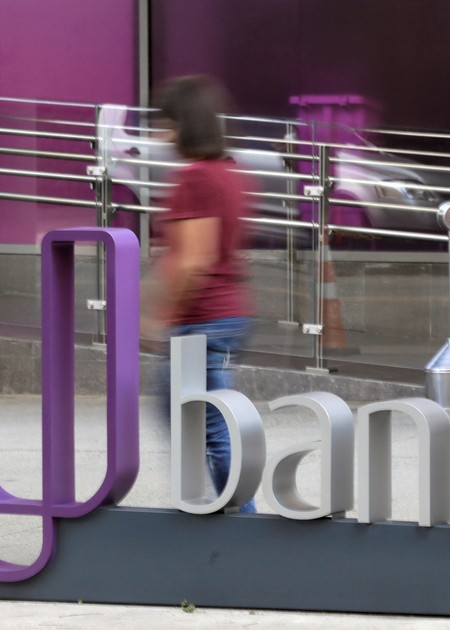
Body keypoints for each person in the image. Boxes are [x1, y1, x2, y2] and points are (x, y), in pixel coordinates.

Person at [150, 75, 257, 513]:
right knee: (200, 417)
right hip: (230, 313)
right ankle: (215, 510)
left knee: (206, 424)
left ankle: (242, 521)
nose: (160, 134)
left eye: (165, 123)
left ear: (182, 125)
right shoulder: (229, 173)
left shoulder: (193, 178)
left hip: (202, 319)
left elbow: (194, 260)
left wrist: (162, 313)